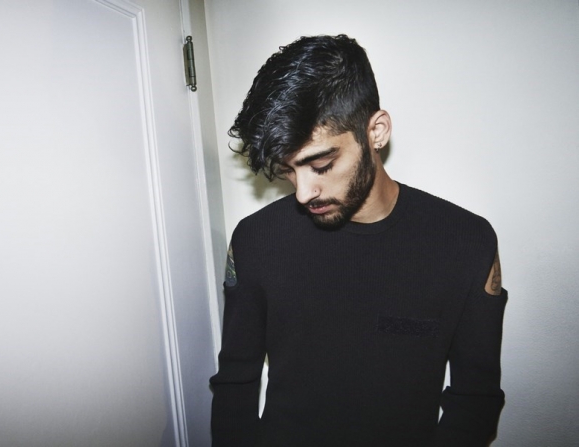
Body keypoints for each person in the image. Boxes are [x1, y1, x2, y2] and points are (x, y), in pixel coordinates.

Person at [210, 34, 507, 447]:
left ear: (376, 131)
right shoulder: (256, 240)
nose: (303, 193)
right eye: (287, 170)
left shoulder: (466, 242)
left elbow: (476, 400)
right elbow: (235, 385)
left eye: (321, 164)